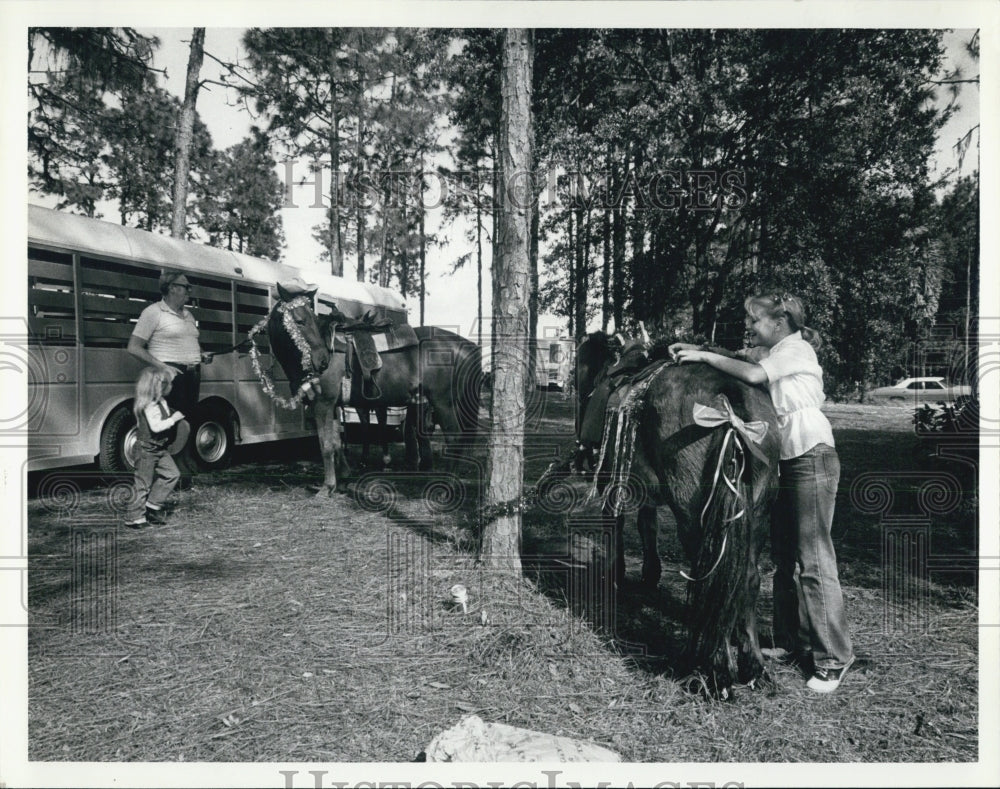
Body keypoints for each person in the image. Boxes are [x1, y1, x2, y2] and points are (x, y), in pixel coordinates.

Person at [671, 292, 854, 694]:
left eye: (755, 320)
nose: (750, 328)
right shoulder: (775, 351)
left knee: (814, 558)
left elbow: (752, 375)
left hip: (811, 455)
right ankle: (792, 643)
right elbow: (741, 357)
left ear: (780, 320)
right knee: (786, 556)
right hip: (787, 459)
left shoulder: (797, 349)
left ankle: (833, 658)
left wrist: (703, 358)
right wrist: (700, 349)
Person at [128, 271, 213, 480]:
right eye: (186, 286)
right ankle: (163, 476)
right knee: (167, 426)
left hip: (191, 374)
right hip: (168, 377)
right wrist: (162, 367)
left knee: (186, 422)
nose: (189, 291)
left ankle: (182, 474)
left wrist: (201, 355)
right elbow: (134, 347)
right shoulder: (153, 312)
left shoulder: (188, 315)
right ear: (171, 287)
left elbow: (187, 342)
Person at [125, 367, 186, 528]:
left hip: (159, 448)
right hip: (146, 449)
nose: (170, 387)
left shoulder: (162, 402)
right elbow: (157, 427)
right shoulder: (149, 405)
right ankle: (134, 517)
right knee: (142, 483)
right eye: (166, 384)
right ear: (156, 387)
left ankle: (152, 506)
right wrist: (174, 418)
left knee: (172, 474)